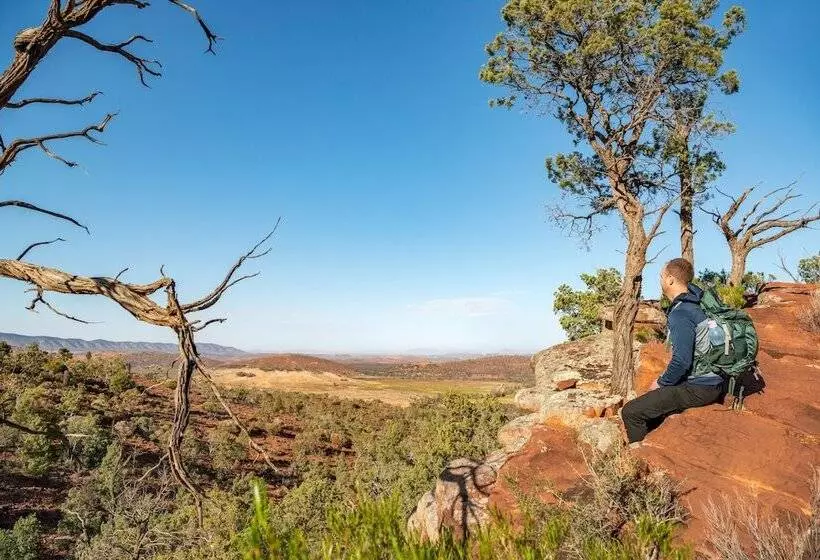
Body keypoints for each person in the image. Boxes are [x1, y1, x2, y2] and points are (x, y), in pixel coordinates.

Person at [621, 258, 724, 446]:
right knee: (654, 407)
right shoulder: (698, 304)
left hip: (700, 388)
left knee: (631, 412)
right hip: (713, 381)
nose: (660, 281)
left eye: (661, 276)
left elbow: (682, 361)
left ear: (670, 279)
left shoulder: (681, 311)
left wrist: (660, 383)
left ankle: (642, 459)